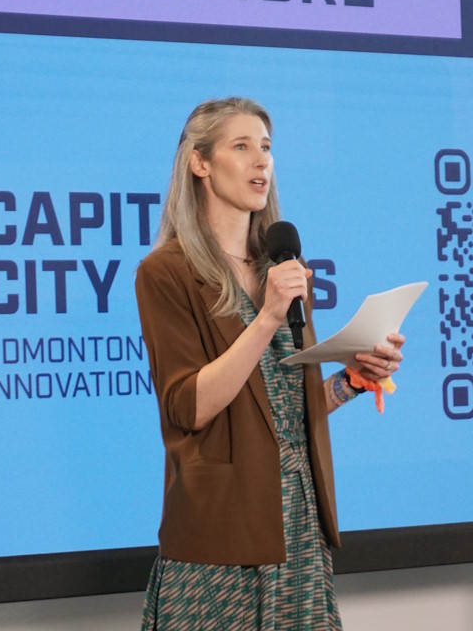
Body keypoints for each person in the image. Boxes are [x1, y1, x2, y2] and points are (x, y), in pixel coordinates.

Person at [135, 97, 406, 630]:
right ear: (200, 163)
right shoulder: (165, 272)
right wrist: (266, 318)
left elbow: (281, 410)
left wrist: (352, 379)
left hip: (298, 520)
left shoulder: (283, 267)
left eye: (266, 148)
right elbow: (190, 406)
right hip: (223, 533)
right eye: (241, 147)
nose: (262, 161)